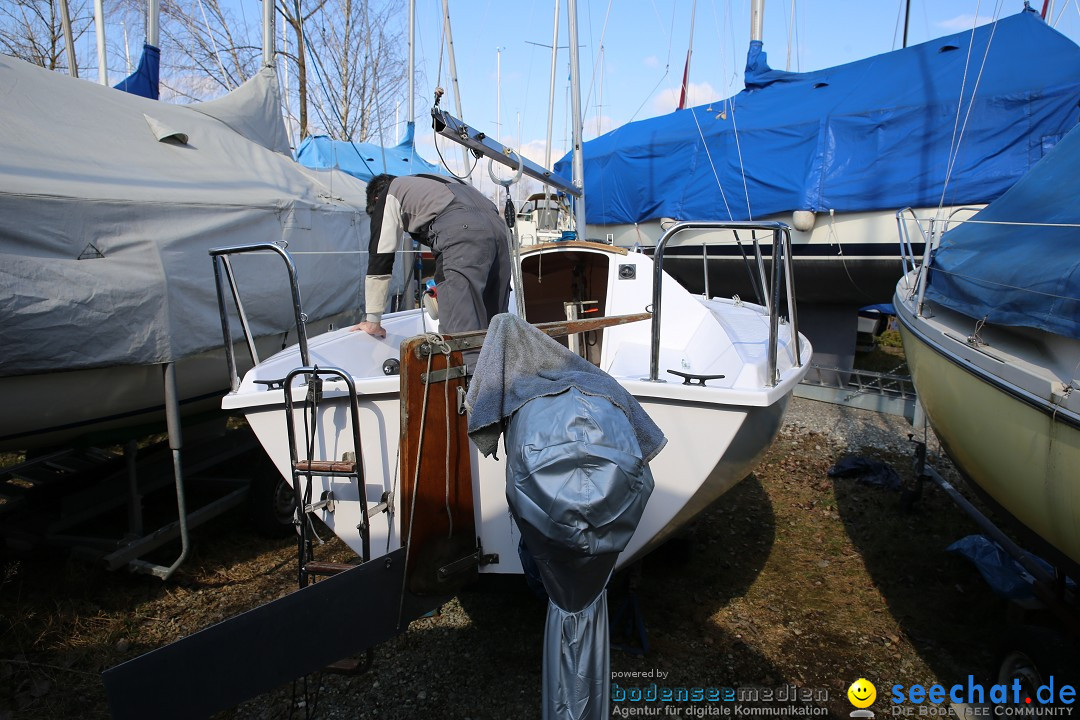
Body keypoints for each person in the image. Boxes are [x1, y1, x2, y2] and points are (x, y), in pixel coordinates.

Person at [352, 173, 511, 339]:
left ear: (377, 199)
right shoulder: (427, 183)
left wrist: (373, 320)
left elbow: (380, 258)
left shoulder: (389, 194)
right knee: (495, 330)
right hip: (500, 231)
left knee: (461, 336)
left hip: (463, 231)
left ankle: (468, 364)